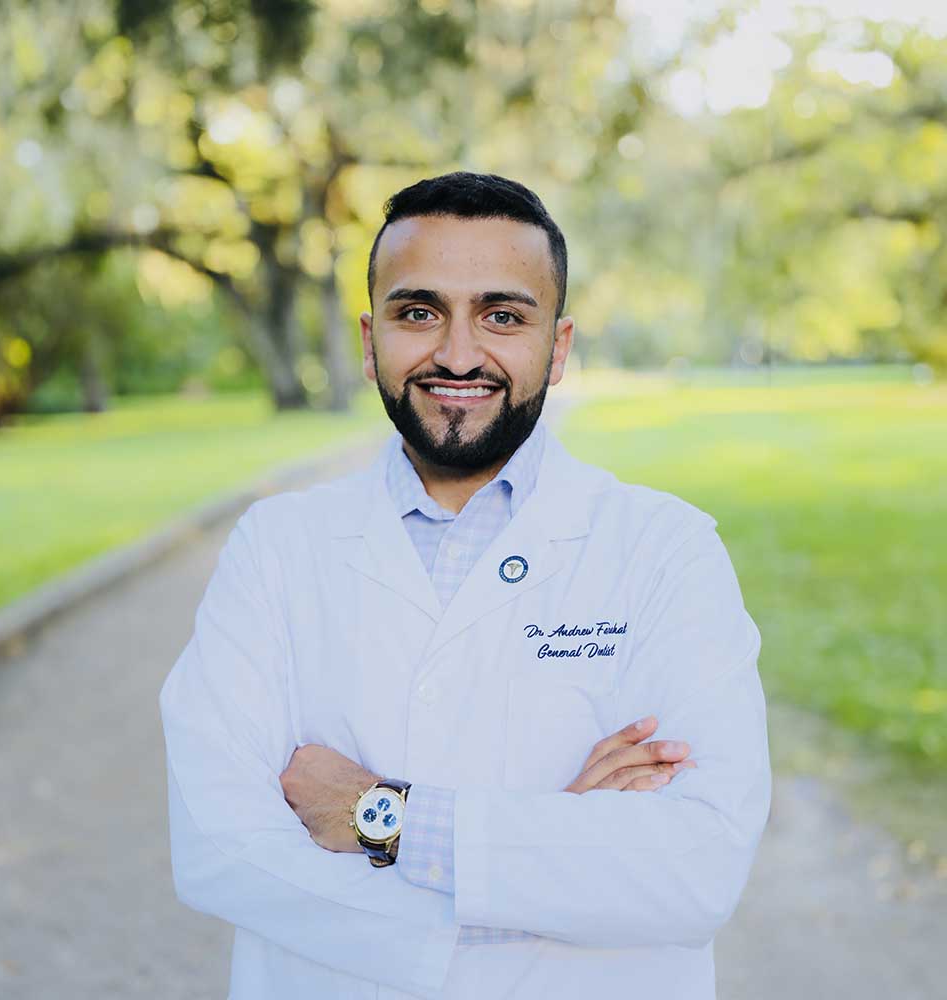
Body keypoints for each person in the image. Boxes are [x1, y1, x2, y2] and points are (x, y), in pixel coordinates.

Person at [158, 171, 772, 999]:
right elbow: (222, 848)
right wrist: (548, 875)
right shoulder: (275, 549)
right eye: (419, 312)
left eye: (502, 315)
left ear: (556, 347)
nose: (455, 353)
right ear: (371, 340)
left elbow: (696, 867)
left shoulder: (666, 551)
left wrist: (384, 817)